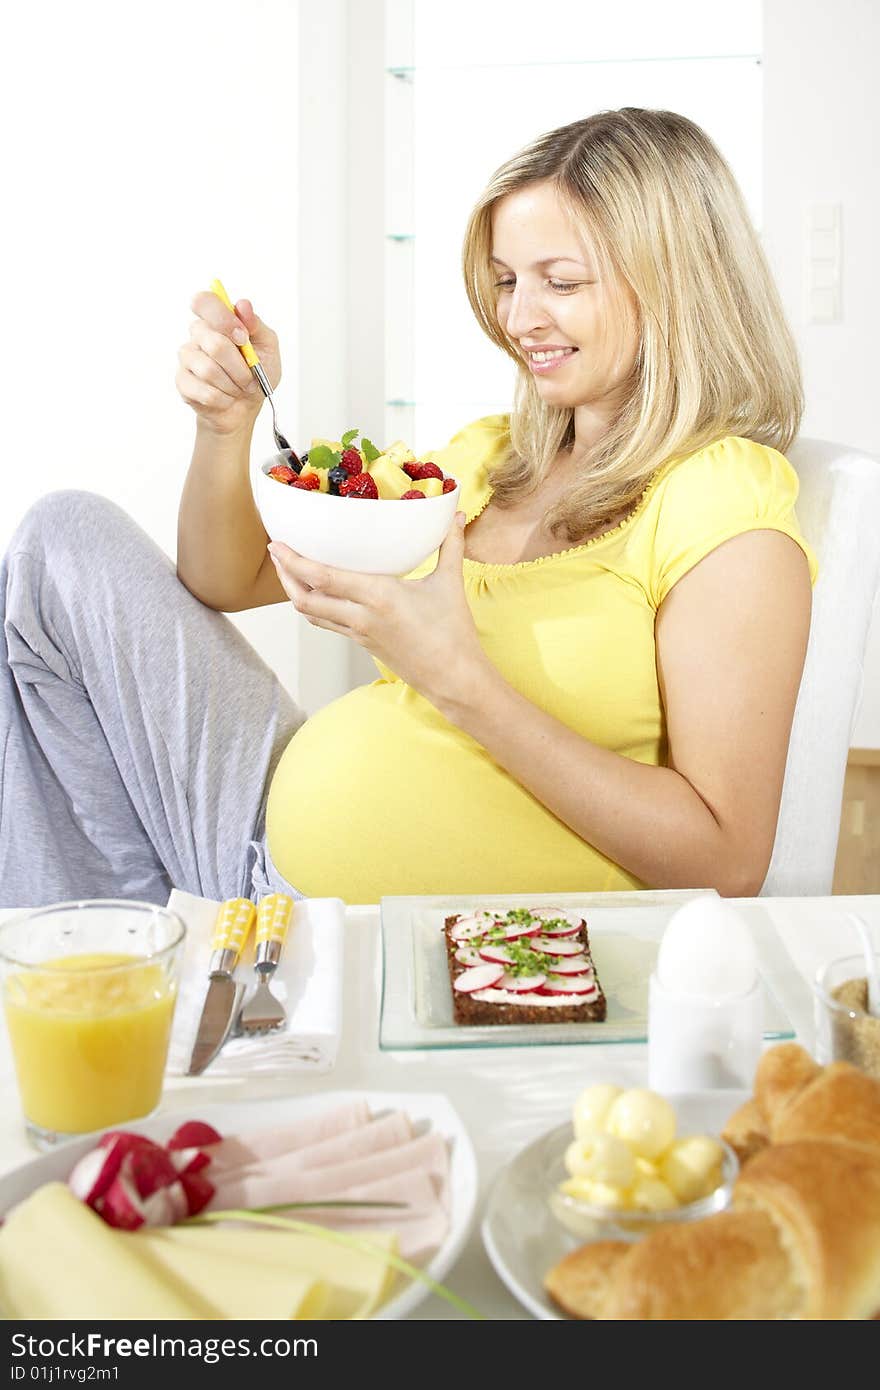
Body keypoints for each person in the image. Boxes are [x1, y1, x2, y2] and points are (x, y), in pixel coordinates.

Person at [0, 107, 815, 910]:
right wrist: (228, 423)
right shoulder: (486, 461)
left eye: (561, 282)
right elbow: (226, 579)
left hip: (398, 928)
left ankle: (125, 961)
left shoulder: (720, 499)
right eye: (505, 280)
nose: (519, 317)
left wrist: (453, 675)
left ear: (675, 285)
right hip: (265, 835)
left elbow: (727, 858)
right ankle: (108, 960)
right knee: (59, 543)